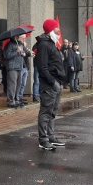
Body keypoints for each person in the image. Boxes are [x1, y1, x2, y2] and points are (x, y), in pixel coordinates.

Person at [33, 19, 67, 150]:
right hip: (50, 84)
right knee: (46, 112)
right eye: (57, 28)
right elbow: (42, 67)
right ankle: (43, 139)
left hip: (56, 82)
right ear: (50, 30)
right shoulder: (44, 45)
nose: (59, 30)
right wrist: (52, 82)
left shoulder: (52, 44)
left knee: (52, 111)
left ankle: (50, 136)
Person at [4, 34, 24, 108]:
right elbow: (8, 55)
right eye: (17, 36)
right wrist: (17, 52)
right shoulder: (9, 45)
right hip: (12, 67)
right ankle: (11, 101)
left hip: (19, 66)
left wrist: (24, 53)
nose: (18, 37)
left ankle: (16, 99)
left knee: (18, 84)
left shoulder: (20, 44)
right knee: (12, 84)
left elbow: (21, 52)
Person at [17, 35, 32, 104]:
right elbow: (21, 53)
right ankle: (17, 97)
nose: (24, 40)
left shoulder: (23, 45)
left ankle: (20, 96)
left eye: (24, 39)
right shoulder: (18, 45)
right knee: (19, 83)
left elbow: (27, 53)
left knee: (23, 83)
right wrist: (25, 53)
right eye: (23, 38)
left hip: (25, 66)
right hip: (21, 66)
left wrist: (27, 51)